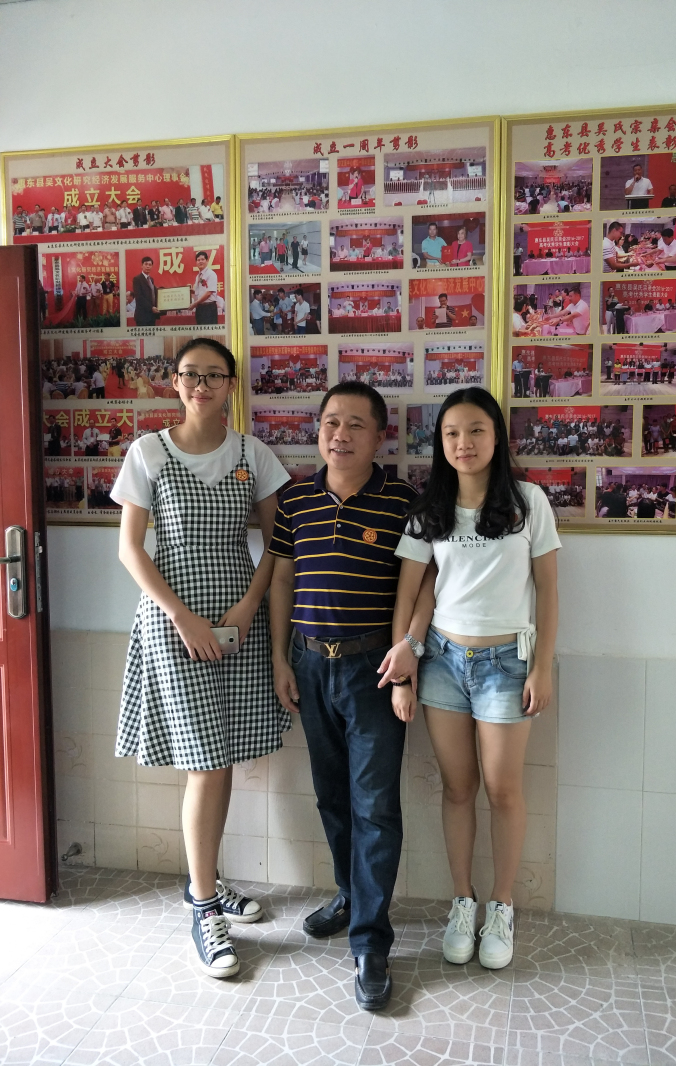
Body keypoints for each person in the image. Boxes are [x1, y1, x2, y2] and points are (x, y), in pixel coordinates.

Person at [113, 338, 290, 979]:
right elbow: (131, 550)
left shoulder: (252, 454)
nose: (201, 385)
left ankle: (206, 880)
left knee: (224, 755)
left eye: (214, 375)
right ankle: (204, 906)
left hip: (238, 623)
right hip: (174, 626)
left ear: (231, 385)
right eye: (190, 374)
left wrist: (247, 608)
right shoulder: (148, 452)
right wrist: (183, 618)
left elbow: (278, 542)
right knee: (206, 764)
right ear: (176, 382)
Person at [387, 387, 559, 970]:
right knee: (458, 789)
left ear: (497, 436)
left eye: (476, 430)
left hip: (507, 665)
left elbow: (549, 590)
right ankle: (463, 902)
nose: (464, 443)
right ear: (440, 441)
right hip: (441, 662)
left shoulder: (528, 502)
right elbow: (410, 593)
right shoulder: (428, 509)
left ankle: (501, 905)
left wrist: (541, 667)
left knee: (503, 789)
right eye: (452, 433)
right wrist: (404, 672)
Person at [269, 382, 420, 1011]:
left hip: (372, 669)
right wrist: (281, 658)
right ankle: (350, 896)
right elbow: (282, 579)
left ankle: (371, 943)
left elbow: (421, 583)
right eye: (331, 421)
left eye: (356, 424)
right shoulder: (296, 500)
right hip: (309, 664)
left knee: (375, 806)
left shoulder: (403, 502)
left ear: (380, 436)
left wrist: (407, 661)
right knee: (332, 796)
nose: (341, 434)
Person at [189, 250, 219, 325]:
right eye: (198, 260)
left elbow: (209, 293)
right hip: (200, 308)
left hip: (208, 308)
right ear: (196, 262)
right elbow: (199, 292)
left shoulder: (211, 274)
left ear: (207, 260)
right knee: (201, 330)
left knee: (209, 331)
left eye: (202, 259)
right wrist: (191, 291)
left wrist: (195, 303)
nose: (200, 262)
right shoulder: (198, 276)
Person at [132, 255, 161, 327]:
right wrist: (151, 308)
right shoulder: (137, 279)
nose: (148, 266)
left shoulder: (151, 279)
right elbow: (139, 297)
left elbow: (154, 294)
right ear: (142, 266)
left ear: (152, 267)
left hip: (152, 316)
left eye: (150, 265)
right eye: (146, 264)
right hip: (142, 316)